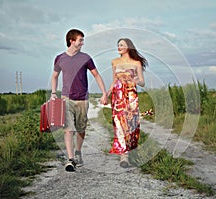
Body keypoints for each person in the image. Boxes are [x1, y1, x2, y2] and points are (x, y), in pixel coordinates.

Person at [51, 29, 107, 172]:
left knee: (81, 129)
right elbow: (55, 76)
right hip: (66, 98)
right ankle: (70, 160)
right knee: (68, 130)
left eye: (82, 40)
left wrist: (104, 93)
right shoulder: (60, 58)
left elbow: (97, 75)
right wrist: (53, 92)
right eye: (80, 40)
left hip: (83, 98)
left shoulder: (86, 58)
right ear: (72, 41)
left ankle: (78, 152)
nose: (82, 42)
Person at [107, 38, 148, 168]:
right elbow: (113, 81)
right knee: (119, 124)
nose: (118, 47)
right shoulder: (115, 62)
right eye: (118, 45)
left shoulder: (136, 63)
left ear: (128, 47)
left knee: (130, 124)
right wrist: (106, 94)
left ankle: (129, 151)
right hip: (118, 97)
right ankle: (123, 156)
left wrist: (136, 80)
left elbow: (142, 82)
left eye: (121, 45)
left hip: (131, 96)